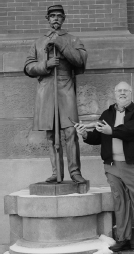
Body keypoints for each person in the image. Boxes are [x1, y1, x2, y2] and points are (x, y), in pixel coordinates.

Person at [75, 81, 134, 252]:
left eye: (125, 90)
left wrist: (112, 131)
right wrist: (85, 134)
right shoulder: (107, 113)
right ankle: (123, 238)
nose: (122, 93)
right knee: (120, 202)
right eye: (119, 90)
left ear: (131, 93)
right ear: (114, 93)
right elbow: (98, 136)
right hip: (112, 166)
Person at [24, 4, 88, 183]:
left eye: (59, 16)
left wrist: (61, 44)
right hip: (46, 90)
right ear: (47, 19)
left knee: (70, 131)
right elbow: (28, 67)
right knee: (51, 134)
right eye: (52, 16)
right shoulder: (38, 42)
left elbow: (81, 61)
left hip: (65, 87)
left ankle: (75, 172)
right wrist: (45, 65)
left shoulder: (73, 39)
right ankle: (56, 172)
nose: (56, 19)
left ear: (64, 18)